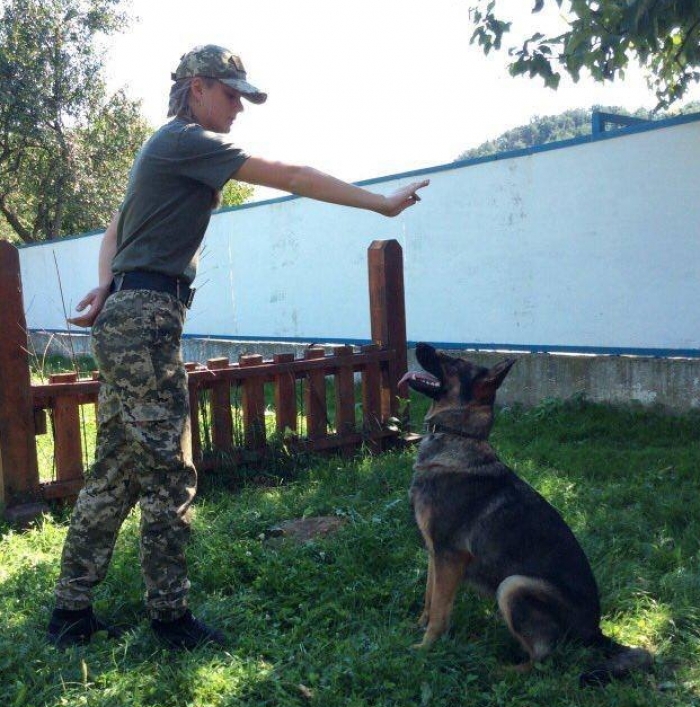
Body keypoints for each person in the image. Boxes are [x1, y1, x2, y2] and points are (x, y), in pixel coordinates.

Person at [46, 44, 429, 650]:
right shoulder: (188, 140)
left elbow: (118, 225)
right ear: (197, 88)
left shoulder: (166, 145)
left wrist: (107, 283)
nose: (239, 108)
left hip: (131, 310)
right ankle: (170, 620)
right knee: (169, 474)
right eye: (232, 95)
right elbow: (293, 177)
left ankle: (69, 612)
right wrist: (379, 203)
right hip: (144, 318)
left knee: (117, 470)